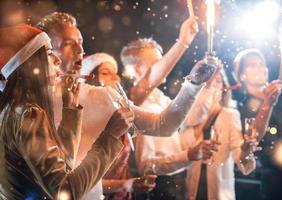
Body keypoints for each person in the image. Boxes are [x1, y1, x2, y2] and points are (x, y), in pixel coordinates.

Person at [36, 12, 220, 200]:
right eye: (68, 43)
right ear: (47, 51)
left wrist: (193, 85)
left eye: (80, 41)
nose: (79, 49)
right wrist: (182, 42)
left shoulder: (102, 97)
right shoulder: (30, 106)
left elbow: (163, 125)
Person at [0, 24, 130, 200]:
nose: (57, 60)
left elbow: (61, 170)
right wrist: (110, 137)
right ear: (30, 63)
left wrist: (70, 111)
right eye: (48, 53)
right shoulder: (27, 113)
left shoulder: (13, 108)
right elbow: (66, 191)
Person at [120, 38, 220, 200]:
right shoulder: (138, 108)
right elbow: (146, 166)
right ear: (137, 70)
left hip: (177, 185)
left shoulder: (161, 99)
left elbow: (190, 118)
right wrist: (188, 155)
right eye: (159, 63)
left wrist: (204, 84)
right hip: (159, 189)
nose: (167, 66)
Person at [232, 48, 282, 199]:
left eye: (262, 63)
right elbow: (254, 137)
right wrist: (268, 104)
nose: (260, 67)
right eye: (252, 65)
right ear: (241, 75)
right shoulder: (241, 111)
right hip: (278, 184)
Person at [82, 53, 157, 199]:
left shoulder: (119, 114)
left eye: (116, 74)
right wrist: (126, 184)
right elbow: (82, 180)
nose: (115, 78)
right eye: (105, 73)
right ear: (89, 79)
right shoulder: (85, 120)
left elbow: (161, 125)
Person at [183, 71, 260, 200]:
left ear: (224, 88)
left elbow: (239, 154)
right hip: (192, 190)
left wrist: (246, 150)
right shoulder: (190, 117)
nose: (212, 85)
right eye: (208, 81)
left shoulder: (230, 116)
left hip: (219, 191)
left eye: (218, 81)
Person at [121, 17, 198, 106]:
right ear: (137, 69)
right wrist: (183, 42)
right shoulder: (128, 98)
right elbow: (149, 79)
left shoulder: (159, 96)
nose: (163, 66)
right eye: (156, 63)